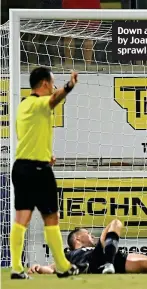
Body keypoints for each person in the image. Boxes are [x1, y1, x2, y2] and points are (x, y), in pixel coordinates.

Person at [10, 67, 82, 279]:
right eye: (52, 83)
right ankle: (62, 266)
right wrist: (69, 86)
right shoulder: (39, 103)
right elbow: (52, 101)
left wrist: (45, 153)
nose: (53, 87)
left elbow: (30, 137)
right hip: (38, 170)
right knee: (51, 217)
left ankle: (16, 268)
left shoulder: (24, 106)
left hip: (21, 166)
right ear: (44, 84)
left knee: (21, 218)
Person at [27, 219, 147, 275]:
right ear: (78, 238)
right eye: (87, 233)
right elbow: (53, 267)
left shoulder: (97, 246)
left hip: (109, 261)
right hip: (92, 261)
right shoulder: (71, 254)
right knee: (115, 222)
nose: (92, 235)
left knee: (146, 261)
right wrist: (39, 268)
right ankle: (108, 263)